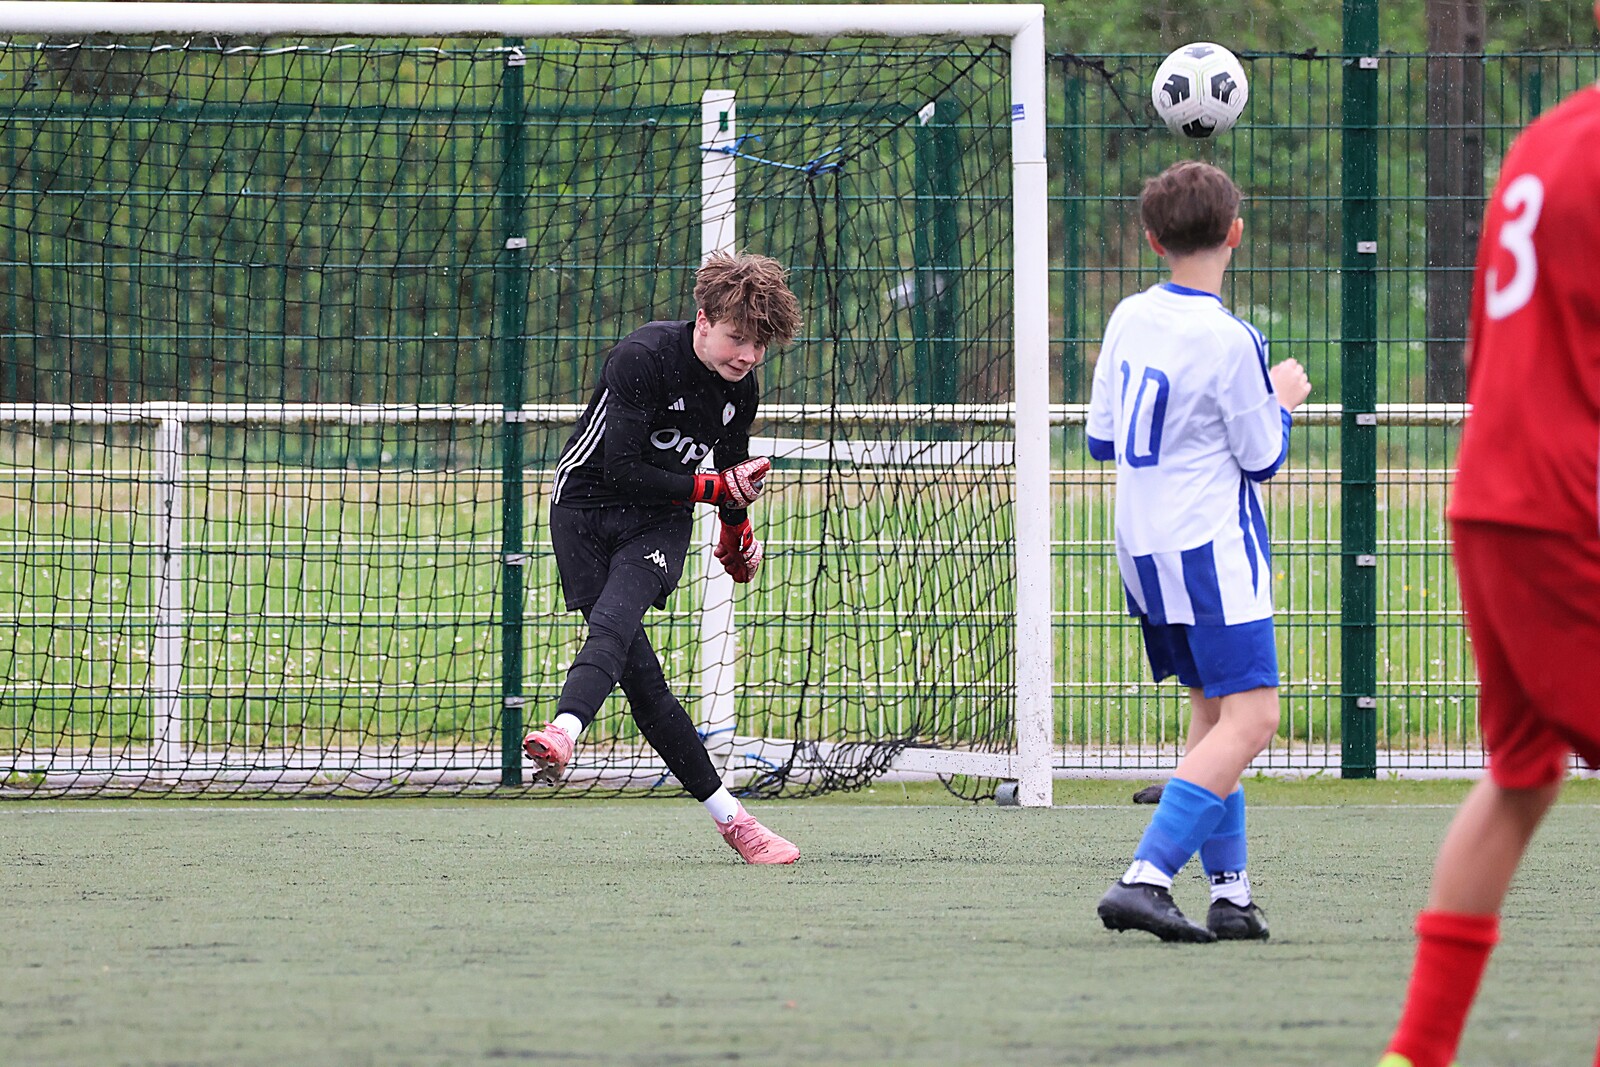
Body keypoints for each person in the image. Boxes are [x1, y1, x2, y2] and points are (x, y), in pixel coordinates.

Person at [1377, 20, 1600, 1066]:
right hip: (1568, 503)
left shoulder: (1545, 140)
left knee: (1521, 774)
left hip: (1496, 494)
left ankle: (1414, 1054)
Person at [1086, 160, 1311, 943]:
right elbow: (1262, 457)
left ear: (1153, 240)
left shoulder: (1128, 316)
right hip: (1210, 548)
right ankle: (1145, 877)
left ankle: (1230, 893)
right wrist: (1280, 400)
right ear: (1236, 233)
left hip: (1143, 545)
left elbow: (1103, 439)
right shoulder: (1231, 338)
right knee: (1254, 716)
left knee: (1213, 712)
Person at [521, 250, 802, 865]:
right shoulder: (642, 357)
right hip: (583, 511)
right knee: (643, 679)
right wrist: (715, 492)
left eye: (759, 345)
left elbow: (731, 473)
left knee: (615, 626)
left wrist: (736, 532)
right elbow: (622, 469)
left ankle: (563, 731)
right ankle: (736, 822)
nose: (747, 356)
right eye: (736, 338)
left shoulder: (741, 388)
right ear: (703, 320)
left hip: (657, 518)